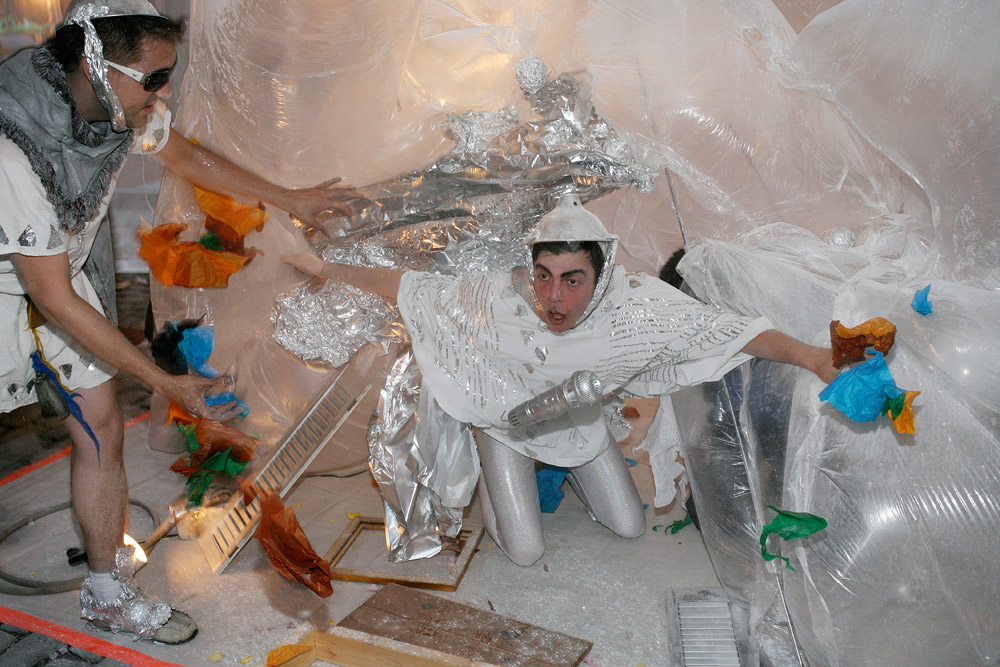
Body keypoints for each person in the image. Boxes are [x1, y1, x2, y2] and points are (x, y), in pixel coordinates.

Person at [0, 0, 356, 644]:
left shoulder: (117, 106)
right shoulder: (12, 146)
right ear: (94, 64)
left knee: (102, 423)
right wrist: (162, 383)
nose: (162, 94)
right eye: (154, 79)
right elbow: (51, 298)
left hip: (55, 275)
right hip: (24, 286)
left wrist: (291, 199)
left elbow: (190, 159)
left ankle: (106, 591)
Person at [282, 194, 838, 566]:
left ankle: (571, 475)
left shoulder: (634, 308)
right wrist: (324, 269)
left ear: (601, 276)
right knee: (523, 553)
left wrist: (813, 356)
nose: (554, 297)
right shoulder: (501, 295)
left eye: (573, 280)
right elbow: (409, 286)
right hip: (508, 427)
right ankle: (500, 480)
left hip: (579, 424)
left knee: (627, 527)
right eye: (544, 277)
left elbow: (730, 333)